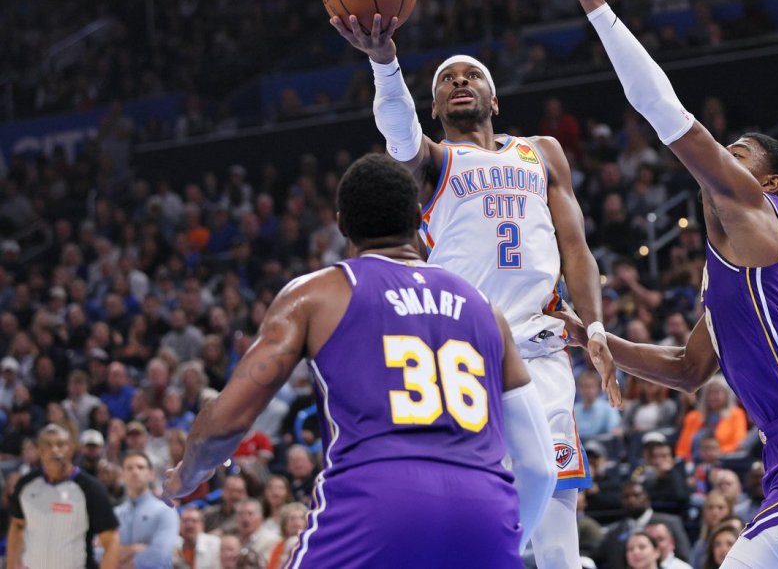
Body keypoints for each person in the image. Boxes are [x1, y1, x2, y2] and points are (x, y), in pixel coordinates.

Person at [550, 0, 778, 568]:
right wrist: (593, 341)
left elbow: (661, 107)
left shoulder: (756, 212)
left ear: (769, 183)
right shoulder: (726, 278)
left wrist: (594, 4)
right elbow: (688, 369)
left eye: (738, 153)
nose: (723, 156)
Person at [330, 0, 620, 569]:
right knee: (475, 505)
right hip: (464, 353)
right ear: (435, 107)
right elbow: (398, 134)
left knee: (558, 513)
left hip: (541, 347)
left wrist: (594, 328)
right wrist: (385, 64)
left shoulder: (541, 151)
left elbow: (576, 248)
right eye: (446, 80)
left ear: (495, 97)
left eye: (471, 75)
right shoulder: (433, 160)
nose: (459, 82)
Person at [161, 154, 557, 568]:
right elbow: (540, 467)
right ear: (419, 218)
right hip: (484, 514)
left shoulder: (317, 294)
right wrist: (502, 544)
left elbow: (227, 420)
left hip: (377, 504)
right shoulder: (485, 308)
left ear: (341, 225)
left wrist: (186, 476)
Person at [7, 423, 121, 569]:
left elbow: (111, 540)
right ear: (40, 450)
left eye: (61, 444)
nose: (54, 450)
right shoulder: (25, 485)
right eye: (48, 445)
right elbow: (17, 525)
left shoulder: (91, 488)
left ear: (71, 449)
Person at [114, 452, 179, 569]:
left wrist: (116, 557)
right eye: (129, 468)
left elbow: (160, 556)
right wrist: (135, 549)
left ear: (151, 474)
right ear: (122, 475)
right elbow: (97, 554)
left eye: (140, 467)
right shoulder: (115, 514)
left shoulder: (166, 511)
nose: (135, 472)